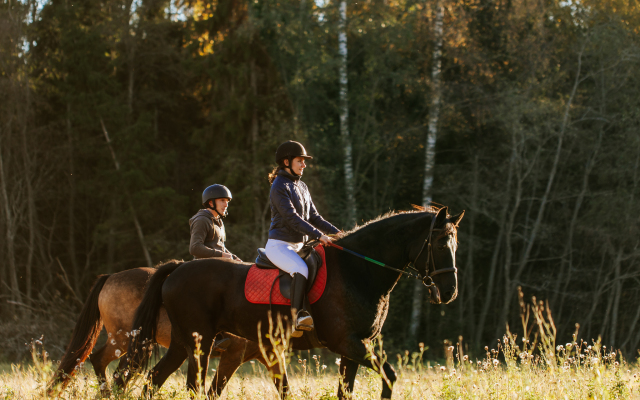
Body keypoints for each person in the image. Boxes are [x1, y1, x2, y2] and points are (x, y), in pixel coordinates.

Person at [265, 140, 340, 336]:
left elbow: (315, 217)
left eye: (304, 161)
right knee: (300, 268)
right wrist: (319, 235)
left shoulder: (302, 186)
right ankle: (297, 316)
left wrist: (338, 233)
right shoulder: (279, 186)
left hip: (300, 245)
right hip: (280, 245)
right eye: (300, 161)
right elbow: (292, 219)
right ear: (287, 162)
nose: (304, 165)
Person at [189, 184, 241, 261]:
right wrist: (221, 255)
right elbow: (195, 248)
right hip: (204, 267)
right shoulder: (201, 220)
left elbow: (219, 247)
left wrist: (234, 258)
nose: (226, 205)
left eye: (227, 201)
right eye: (222, 200)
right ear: (211, 203)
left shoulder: (218, 221)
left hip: (216, 265)